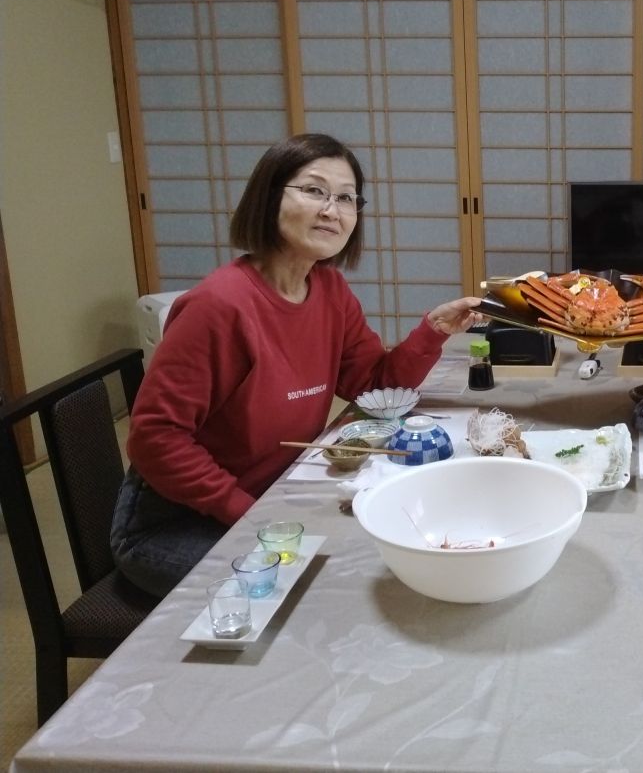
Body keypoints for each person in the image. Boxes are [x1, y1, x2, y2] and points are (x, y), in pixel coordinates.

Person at [112, 133, 483, 596]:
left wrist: (433, 330)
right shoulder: (219, 306)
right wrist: (249, 513)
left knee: (400, 551)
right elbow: (154, 438)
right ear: (269, 197)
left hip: (272, 492)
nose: (332, 209)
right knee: (329, 592)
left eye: (346, 198)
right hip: (178, 522)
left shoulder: (329, 291)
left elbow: (373, 385)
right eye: (314, 190)